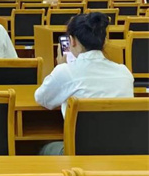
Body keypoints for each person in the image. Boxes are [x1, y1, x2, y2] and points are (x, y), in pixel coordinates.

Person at [34, 12, 134, 155]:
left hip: (81, 155)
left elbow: (42, 99)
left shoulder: (66, 72)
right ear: (104, 41)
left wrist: (59, 68)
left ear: (72, 41)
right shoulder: (124, 73)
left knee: (45, 148)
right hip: (121, 152)